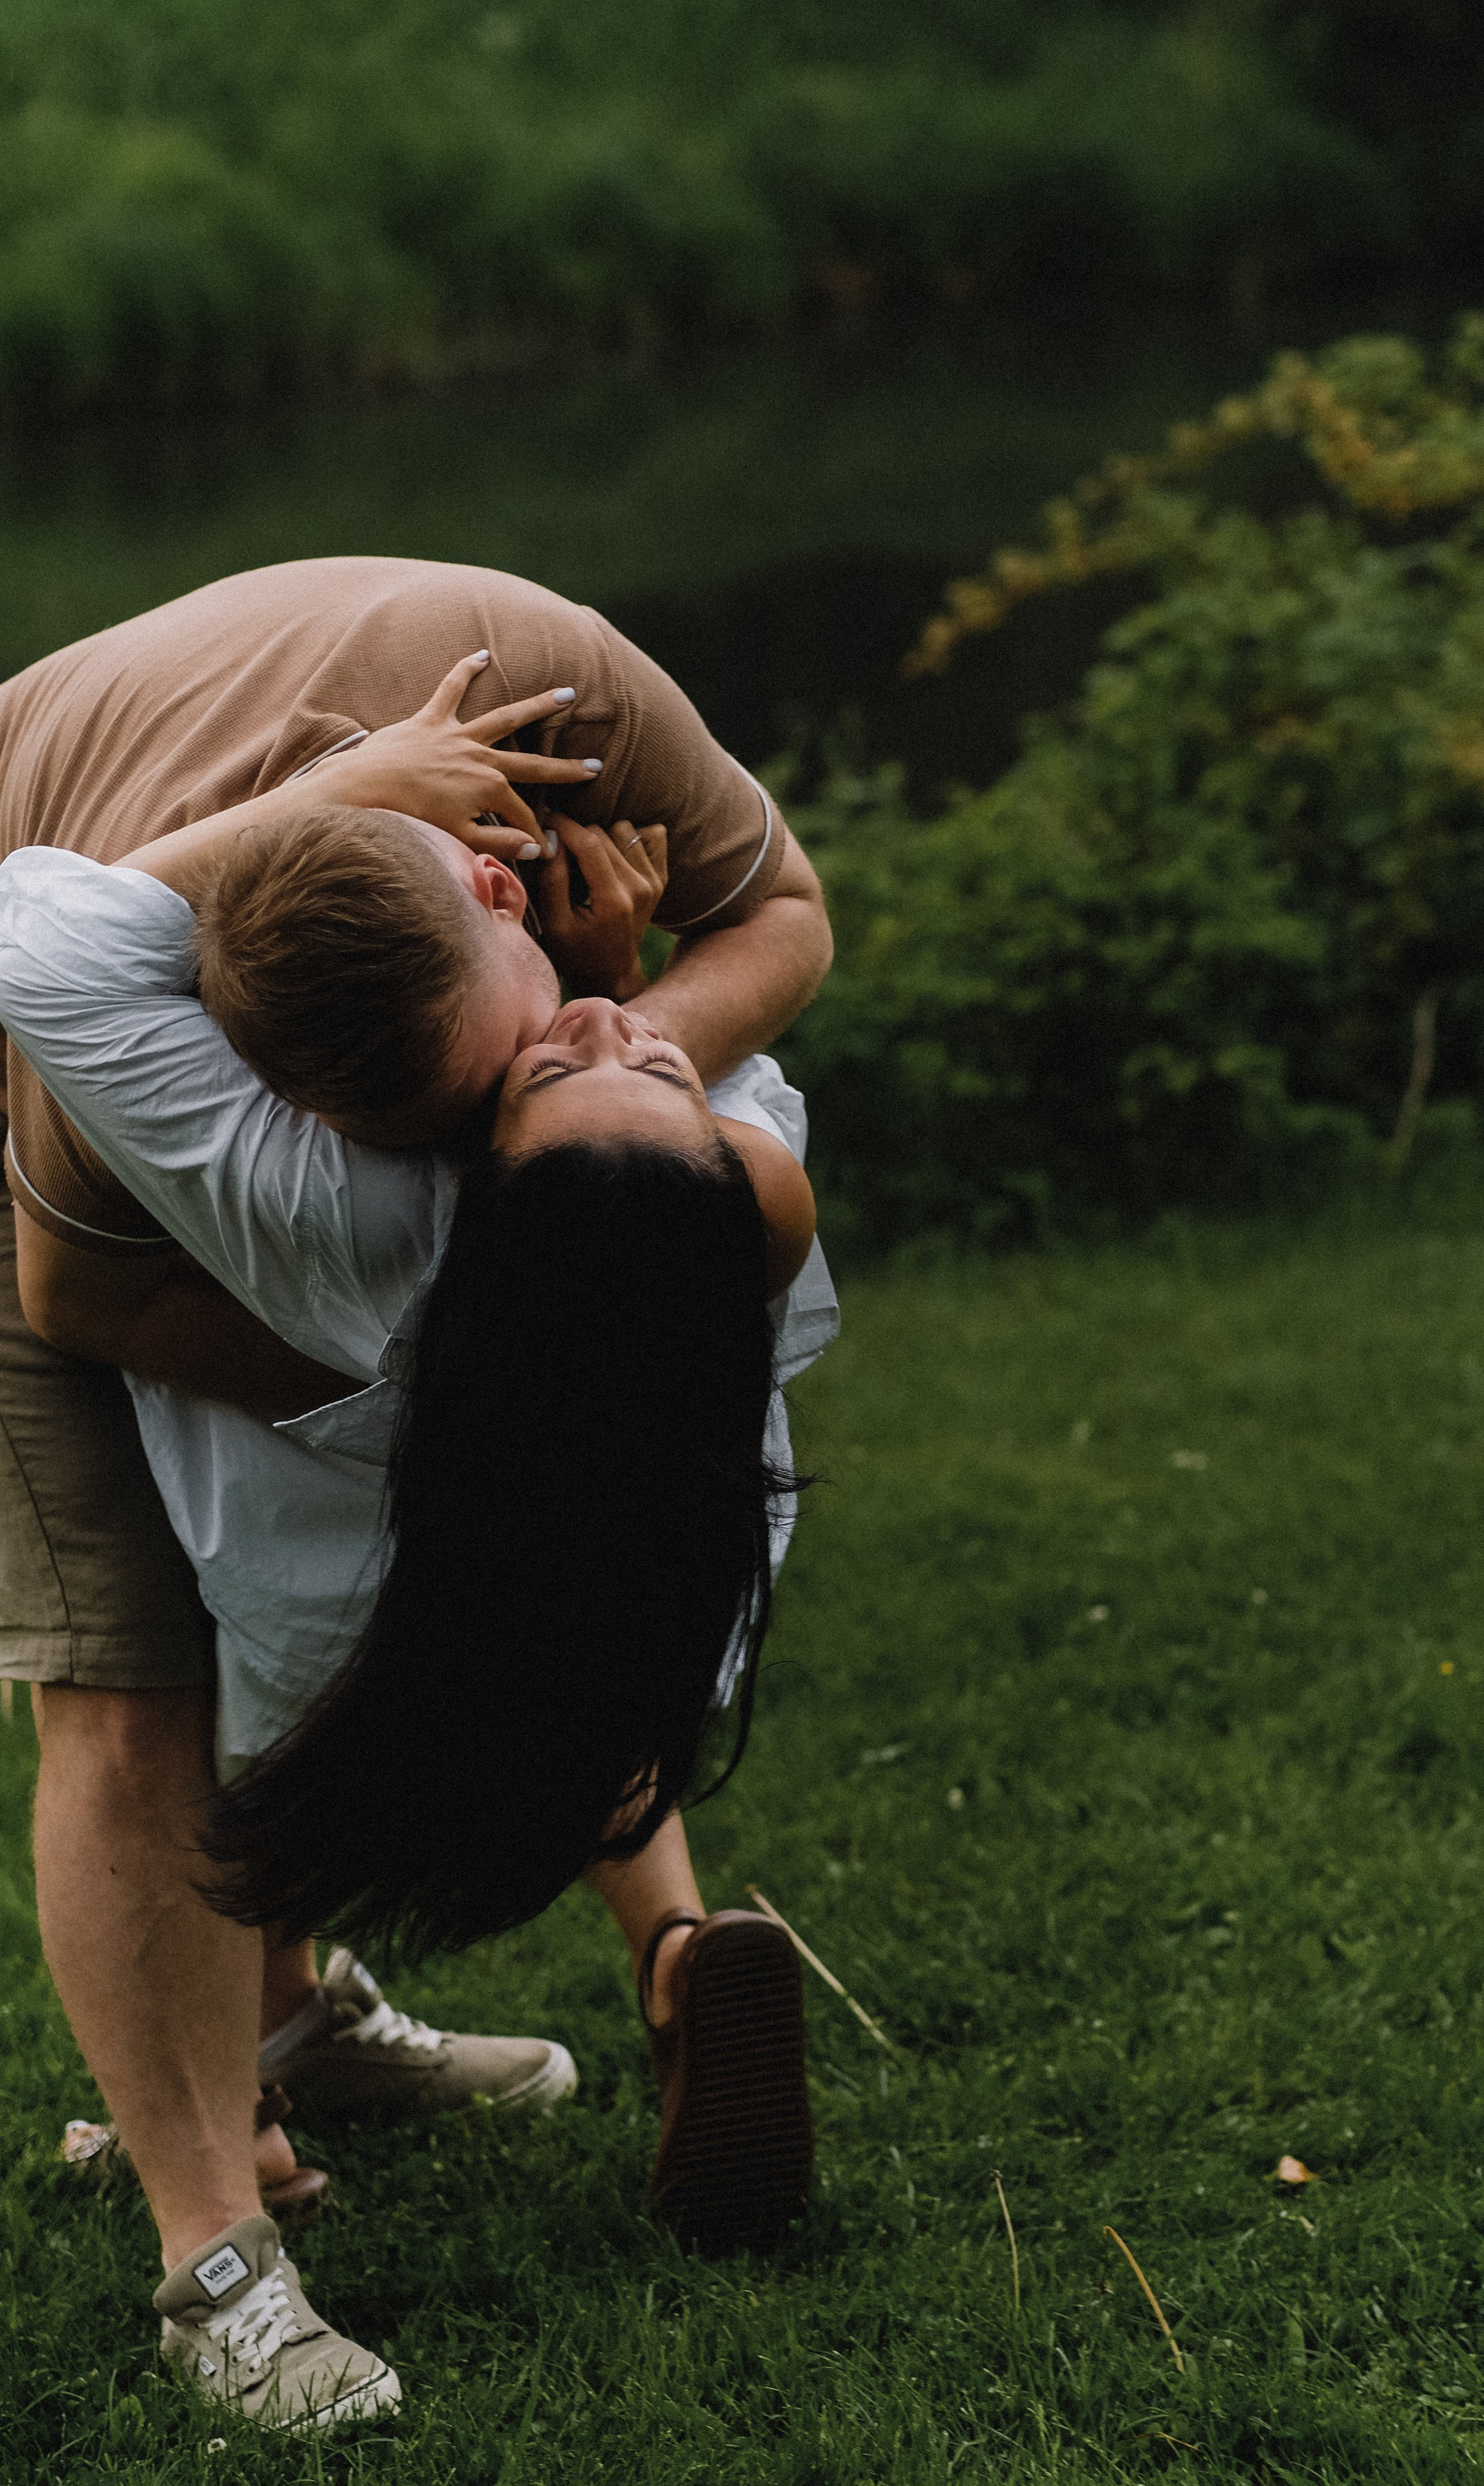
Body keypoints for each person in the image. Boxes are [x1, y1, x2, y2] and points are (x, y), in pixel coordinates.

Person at [0, 567, 834, 2431]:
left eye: (522, 1070)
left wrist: (643, 1026)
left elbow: (786, 911)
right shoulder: (153, 1068)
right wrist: (406, 1396)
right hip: (49, 1045)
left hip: (317, 891)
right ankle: (213, 2254)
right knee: (132, 1671)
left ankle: (294, 2018)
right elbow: (77, 1302)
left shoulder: (575, 714)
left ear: (507, 883)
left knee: (455, 1518)